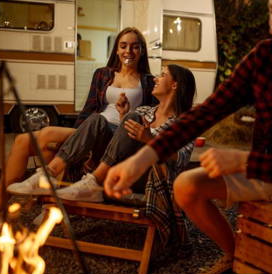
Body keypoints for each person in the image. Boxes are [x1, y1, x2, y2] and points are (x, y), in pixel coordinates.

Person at [104, 0, 272, 274]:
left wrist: (244, 161)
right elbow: (207, 112)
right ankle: (233, 256)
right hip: (266, 172)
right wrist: (142, 158)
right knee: (186, 185)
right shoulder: (266, 57)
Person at [0, 27, 156, 196]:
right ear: (117, 50)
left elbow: (150, 117)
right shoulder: (103, 74)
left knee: (47, 134)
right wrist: (83, 136)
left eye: (135, 46)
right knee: (22, 140)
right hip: (95, 126)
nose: (128, 51)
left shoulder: (148, 82)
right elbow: (89, 108)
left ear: (142, 51)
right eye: (123, 46)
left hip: (117, 134)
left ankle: (43, 189)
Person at [56, 64, 196, 249]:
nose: (155, 79)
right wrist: (123, 117)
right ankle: (51, 172)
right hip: (120, 170)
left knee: (132, 118)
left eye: (162, 75)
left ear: (175, 85)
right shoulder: (144, 111)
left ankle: (93, 181)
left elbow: (180, 159)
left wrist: (150, 139)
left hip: (148, 179)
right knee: (97, 120)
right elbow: (119, 147)